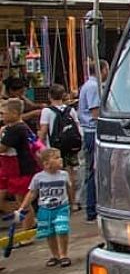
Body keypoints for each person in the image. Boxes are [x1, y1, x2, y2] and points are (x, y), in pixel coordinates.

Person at [17, 147, 71, 266]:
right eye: (56, 158)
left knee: (62, 230)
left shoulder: (64, 175)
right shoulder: (38, 177)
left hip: (61, 207)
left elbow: (69, 189)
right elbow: (32, 193)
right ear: (46, 164)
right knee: (49, 232)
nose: (60, 159)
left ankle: (63, 254)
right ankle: (55, 255)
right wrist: (22, 208)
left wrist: (71, 204)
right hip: (45, 209)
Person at [39, 84, 83, 212]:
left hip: (54, 148)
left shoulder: (46, 111)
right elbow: (77, 127)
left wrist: (38, 145)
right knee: (70, 174)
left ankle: (58, 202)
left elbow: (43, 131)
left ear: (49, 96)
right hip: (71, 146)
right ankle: (73, 202)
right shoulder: (71, 110)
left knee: (54, 174)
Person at [0, 98, 40, 232]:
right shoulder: (15, 127)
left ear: (15, 113)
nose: (2, 116)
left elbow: (2, 147)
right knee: (20, 200)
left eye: (4, 113)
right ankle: (30, 222)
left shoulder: (16, 128)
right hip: (17, 169)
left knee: (23, 201)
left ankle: (26, 230)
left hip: (22, 169)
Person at [77, 60, 107, 222]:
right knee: (94, 171)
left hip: (89, 131)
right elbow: (96, 113)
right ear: (102, 70)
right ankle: (92, 208)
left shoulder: (87, 86)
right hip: (92, 132)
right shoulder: (93, 87)